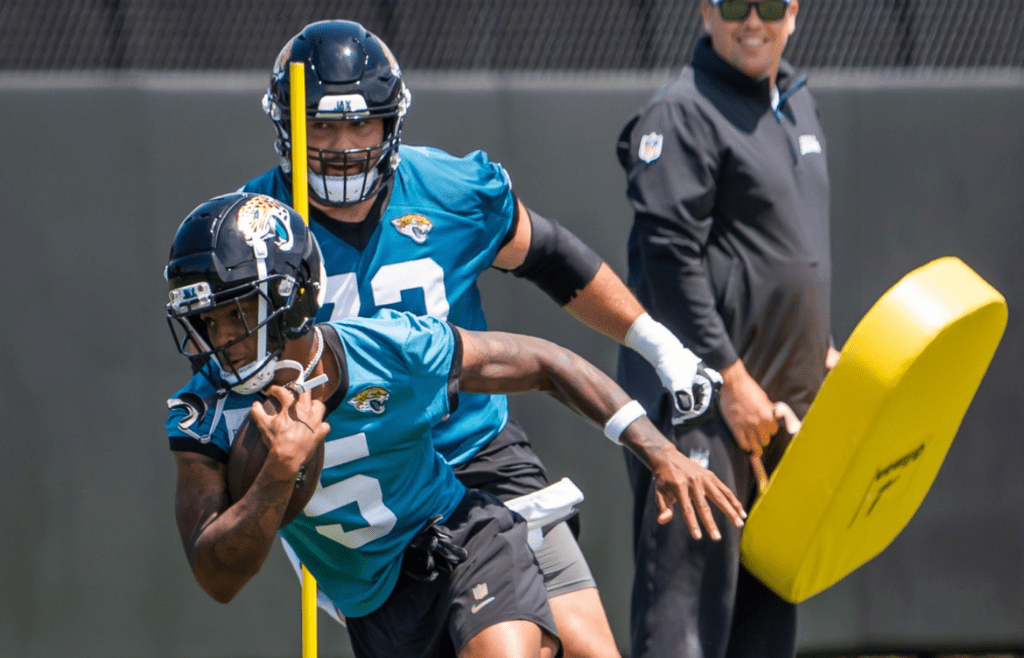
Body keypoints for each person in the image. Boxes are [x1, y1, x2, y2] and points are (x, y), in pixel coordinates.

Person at [224, 19, 722, 658]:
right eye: (321, 126)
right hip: (364, 488)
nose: (343, 146)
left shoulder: (451, 190)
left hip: (474, 450)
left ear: (391, 125)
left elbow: (553, 259)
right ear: (288, 125)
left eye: (360, 125)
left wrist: (657, 343)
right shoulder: (254, 228)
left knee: (588, 650)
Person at [164, 192, 747, 658]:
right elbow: (218, 577)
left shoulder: (393, 350)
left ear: (290, 299)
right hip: (377, 606)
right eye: (203, 322)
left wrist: (657, 450)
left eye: (234, 315)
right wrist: (276, 477)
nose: (220, 341)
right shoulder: (203, 416)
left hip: (461, 538)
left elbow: (544, 363)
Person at [614, 1, 842, 657]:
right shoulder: (681, 111)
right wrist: (730, 382)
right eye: (733, 3)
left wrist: (815, 345)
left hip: (777, 414)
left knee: (767, 622)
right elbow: (668, 258)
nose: (753, 19)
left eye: (769, 4)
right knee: (684, 624)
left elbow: (785, 251)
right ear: (705, 12)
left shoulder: (797, 100)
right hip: (703, 411)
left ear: (793, 13)